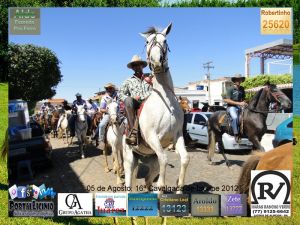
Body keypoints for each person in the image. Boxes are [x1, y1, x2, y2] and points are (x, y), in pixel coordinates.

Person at [119, 55, 152, 145]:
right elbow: (120, 94)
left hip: (150, 101)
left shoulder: (150, 77)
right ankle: (134, 133)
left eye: (139, 64)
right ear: (132, 68)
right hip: (137, 103)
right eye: (134, 65)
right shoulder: (128, 81)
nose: (137, 67)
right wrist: (132, 98)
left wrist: (152, 80)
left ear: (142, 66)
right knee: (128, 100)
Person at [223, 74, 247, 143]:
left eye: (240, 80)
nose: (239, 81)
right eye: (237, 80)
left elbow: (244, 99)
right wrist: (239, 103)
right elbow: (227, 100)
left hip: (240, 106)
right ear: (234, 81)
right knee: (235, 117)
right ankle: (236, 134)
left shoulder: (242, 88)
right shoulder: (230, 89)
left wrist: (244, 102)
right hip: (231, 107)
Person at [97, 83, 118, 150]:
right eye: (107, 88)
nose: (109, 90)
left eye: (110, 88)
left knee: (127, 122)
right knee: (101, 125)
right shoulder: (104, 98)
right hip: (108, 114)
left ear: (113, 89)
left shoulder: (118, 96)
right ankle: (101, 141)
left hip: (119, 113)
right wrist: (110, 111)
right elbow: (102, 109)